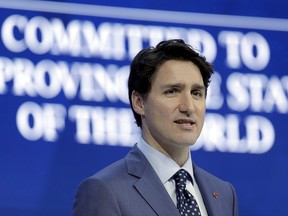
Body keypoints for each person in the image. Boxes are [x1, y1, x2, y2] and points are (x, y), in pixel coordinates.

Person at [72, 39, 238, 216]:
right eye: (172, 91)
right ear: (139, 102)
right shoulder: (104, 191)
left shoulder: (224, 194)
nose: (188, 107)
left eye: (196, 93)